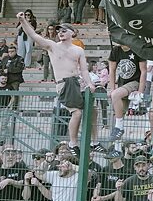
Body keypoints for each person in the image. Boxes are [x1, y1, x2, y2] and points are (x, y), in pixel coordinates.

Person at [17, 16, 94, 148]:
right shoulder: (53, 46)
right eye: (59, 31)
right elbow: (33, 35)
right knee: (76, 113)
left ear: (72, 33)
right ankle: (73, 143)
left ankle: (94, 141)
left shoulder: (78, 50)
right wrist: (23, 21)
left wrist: (89, 83)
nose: (60, 33)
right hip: (64, 83)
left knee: (92, 110)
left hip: (77, 82)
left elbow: (84, 70)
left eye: (64, 31)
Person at [107, 43, 144, 143]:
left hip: (134, 82)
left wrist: (140, 91)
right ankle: (116, 145)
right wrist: (112, 88)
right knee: (118, 112)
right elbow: (112, 70)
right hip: (122, 84)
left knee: (115, 95)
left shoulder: (137, 48)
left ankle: (119, 127)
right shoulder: (116, 50)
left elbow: (143, 71)